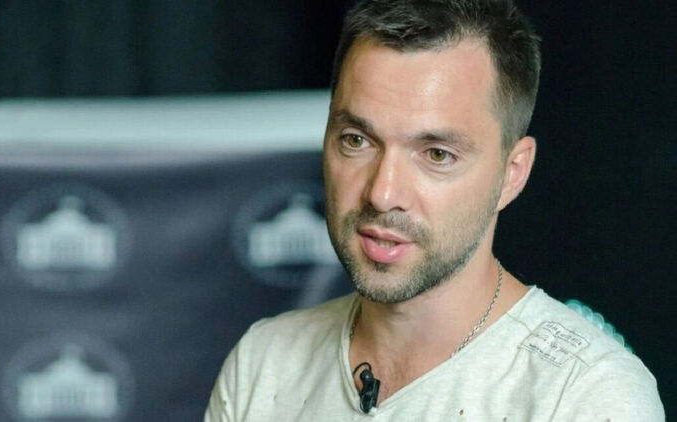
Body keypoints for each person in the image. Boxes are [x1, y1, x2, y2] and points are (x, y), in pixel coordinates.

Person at [204, 0, 664, 420]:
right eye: (357, 140)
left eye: (437, 154)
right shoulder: (264, 365)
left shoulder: (585, 395)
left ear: (513, 173)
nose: (383, 193)